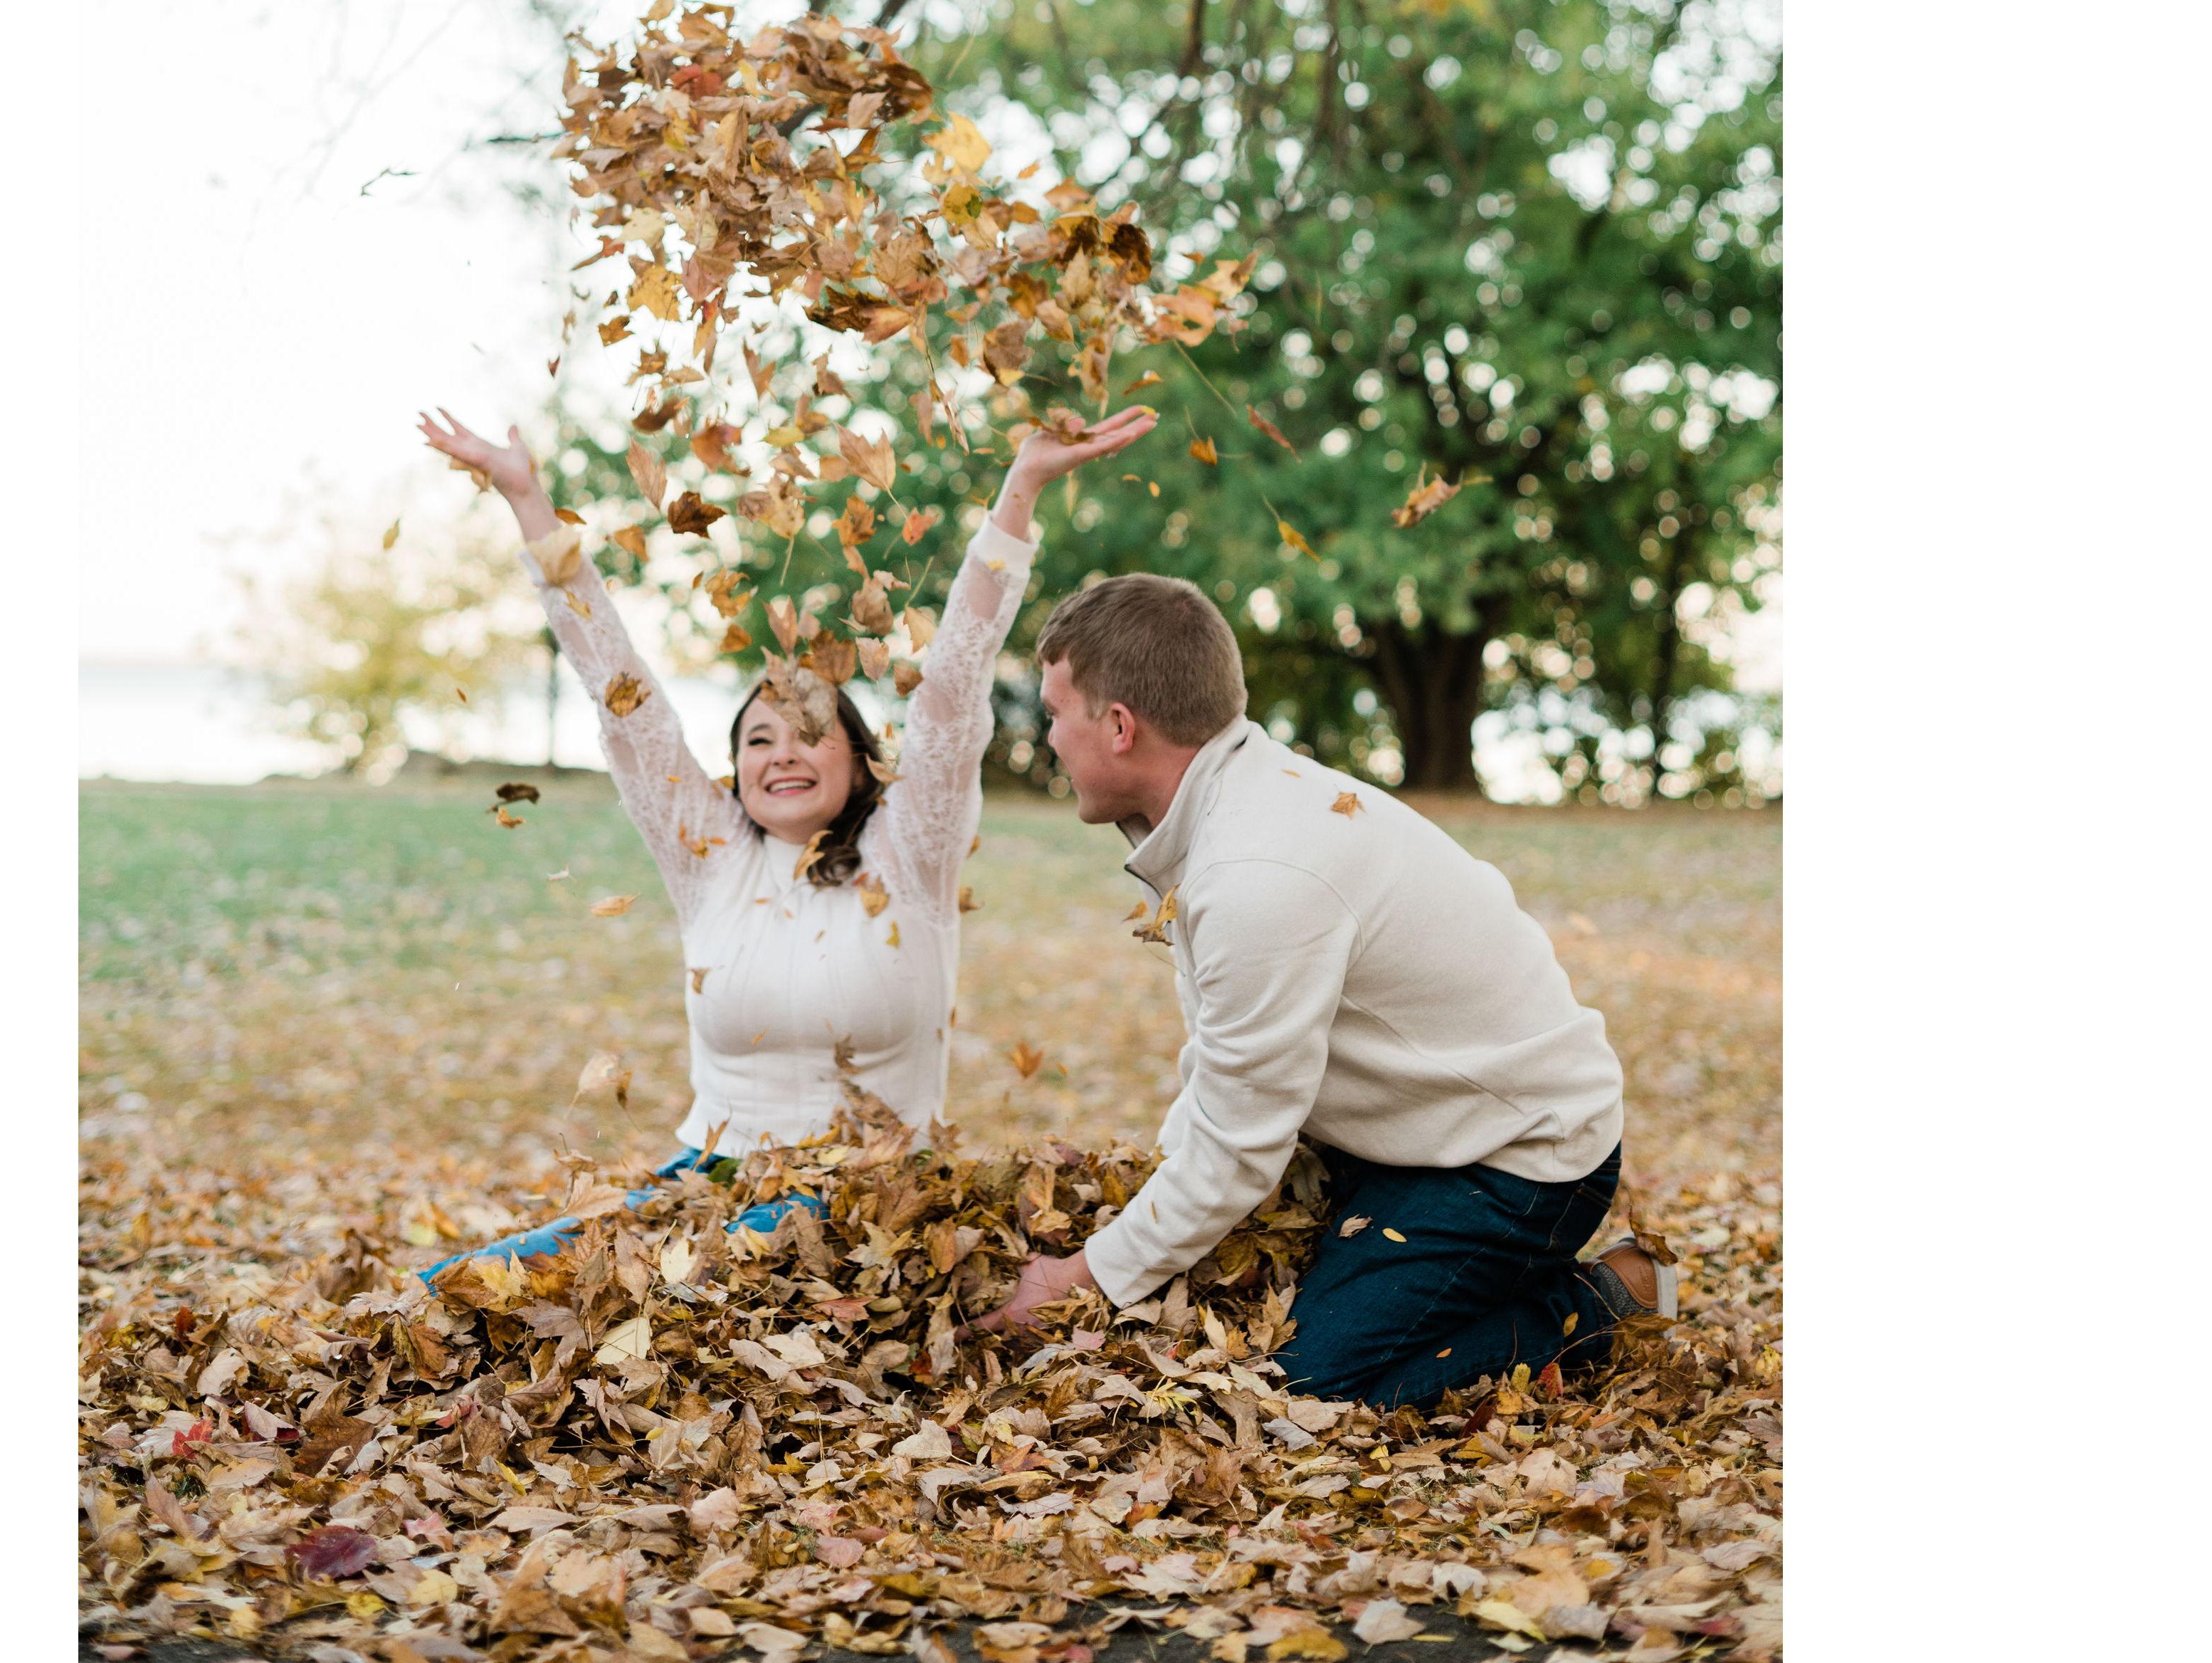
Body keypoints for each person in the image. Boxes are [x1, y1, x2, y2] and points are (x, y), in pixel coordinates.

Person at [409, 396, 1156, 1269]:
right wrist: (529, 504)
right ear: (736, 770)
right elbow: (626, 703)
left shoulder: (909, 850)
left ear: (857, 755)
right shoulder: (711, 857)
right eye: (758, 738)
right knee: (469, 1283)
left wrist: (1018, 493)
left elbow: (953, 687)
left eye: (809, 730)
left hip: (869, 1202)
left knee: (689, 1282)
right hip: (708, 1179)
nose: (781, 753)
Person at [979, 571, 1675, 1407]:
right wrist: (1137, 1228)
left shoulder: (1256, 873)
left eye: (1056, 713)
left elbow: (1240, 1143)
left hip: (1519, 1158)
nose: (1049, 736)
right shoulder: (1238, 803)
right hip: (1405, 1132)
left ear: (1120, 727)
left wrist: (1083, 1277)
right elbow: (1225, 1068)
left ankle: (1606, 1295)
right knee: (1228, 1305)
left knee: (1307, 1388)